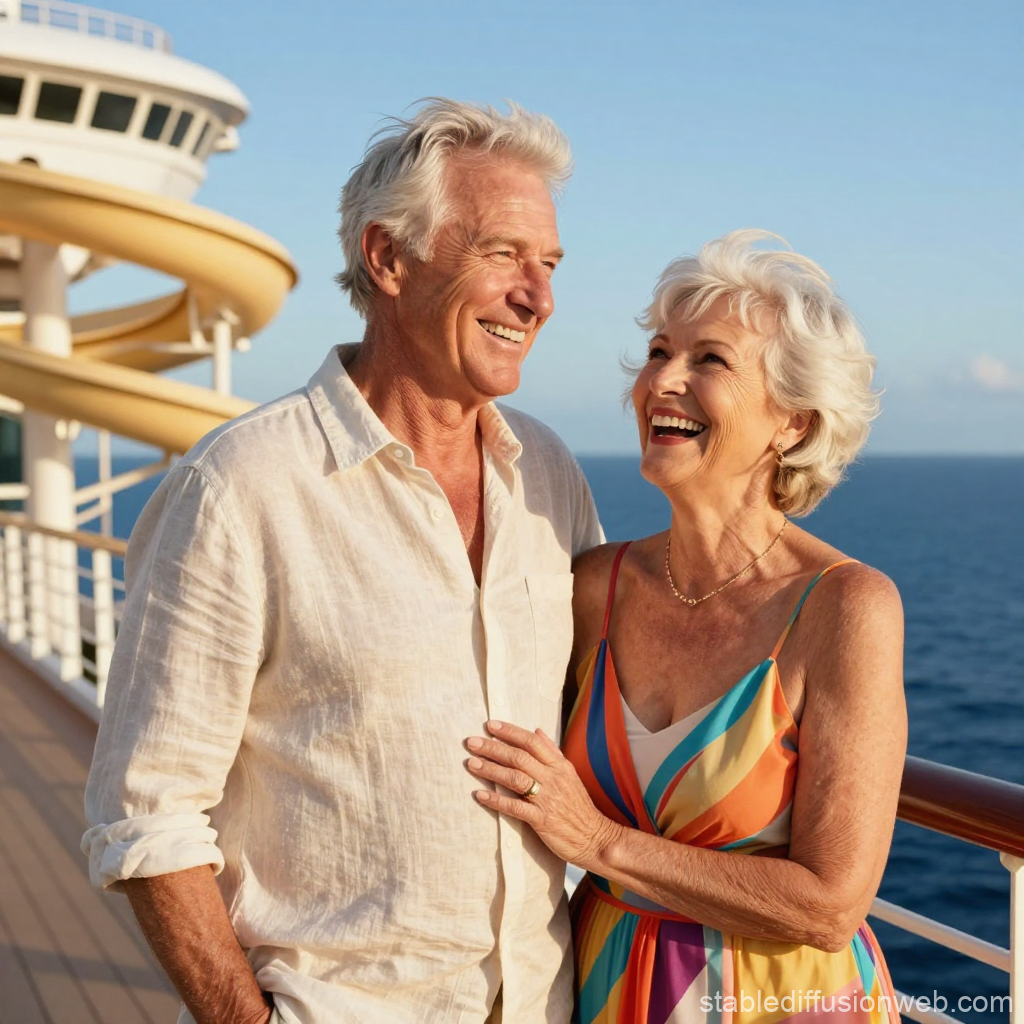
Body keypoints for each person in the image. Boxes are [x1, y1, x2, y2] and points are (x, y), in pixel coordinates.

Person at [82, 99, 603, 1024]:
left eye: (550, 264)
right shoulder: (240, 488)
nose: (540, 297)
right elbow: (147, 814)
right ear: (387, 258)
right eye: (502, 255)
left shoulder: (548, 476)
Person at [464, 230, 906, 1023]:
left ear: (794, 426)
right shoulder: (599, 586)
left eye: (710, 360)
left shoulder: (845, 608)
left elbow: (830, 905)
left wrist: (597, 842)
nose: (661, 381)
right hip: (600, 990)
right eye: (659, 351)